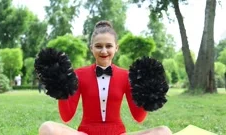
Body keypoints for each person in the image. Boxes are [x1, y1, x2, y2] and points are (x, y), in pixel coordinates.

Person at [37, 20, 172, 135]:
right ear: (91, 48)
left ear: (116, 48)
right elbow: (67, 117)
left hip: (118, 133)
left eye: (108, 46)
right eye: (98, 46)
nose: (104, 51)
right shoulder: (79, 74)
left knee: (164, 131)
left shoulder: (127, 76)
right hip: (86, 134)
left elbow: (139, 117)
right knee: (47, 128)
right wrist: (60, 88)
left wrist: (147, 94)